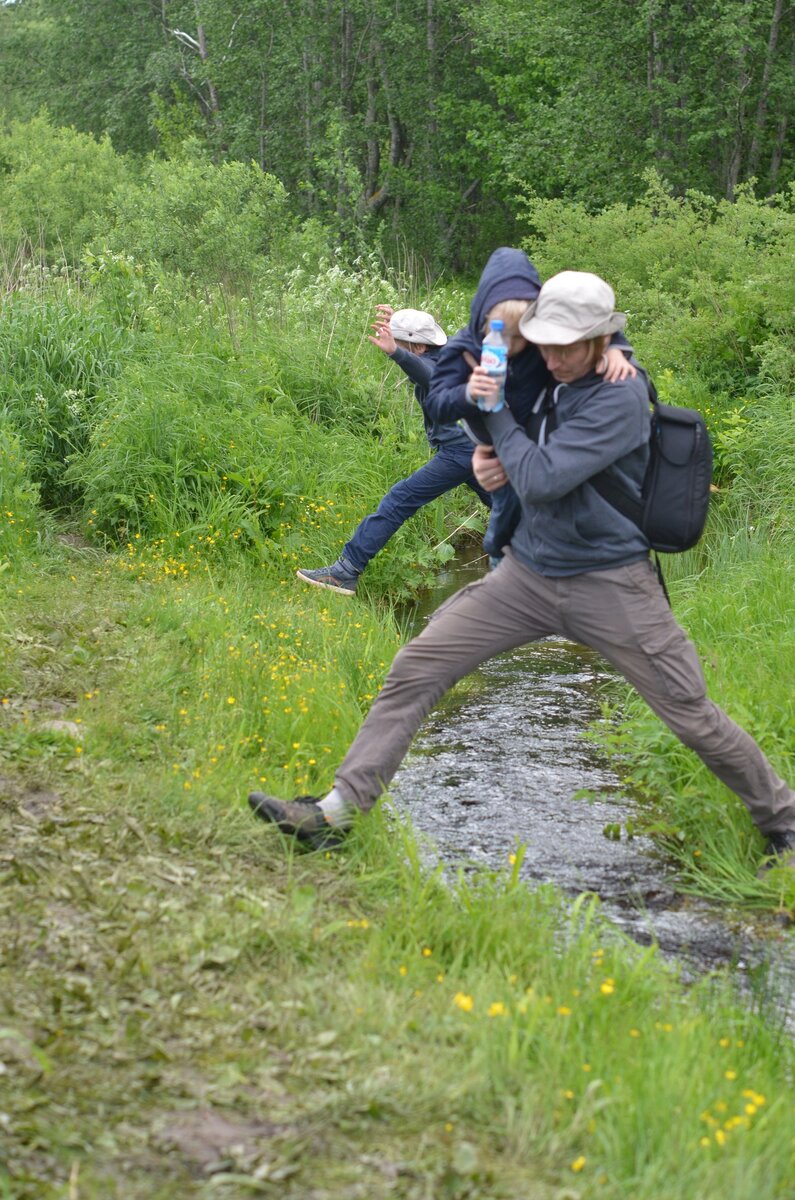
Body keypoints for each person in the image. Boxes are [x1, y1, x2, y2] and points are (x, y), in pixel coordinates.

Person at [248, 270, 795, 871]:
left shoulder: (622, 394)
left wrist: (496, 421)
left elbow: (540, 476)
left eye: (572, 345)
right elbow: (478, 332)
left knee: (692, 717)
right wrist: (488, 439)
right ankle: (337, 813)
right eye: (547, 341)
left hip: (612, 582)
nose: (555, 356)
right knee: (417, 667)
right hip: (527, 576)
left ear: (601, 339)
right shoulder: (547, 358)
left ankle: (783, 823)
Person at [425, 247, 637, 562]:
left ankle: (529, 557)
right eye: (499, 335)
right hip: (495, 440)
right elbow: (436, 405)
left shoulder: (544, 337)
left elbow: (589, 324)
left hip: (539, 434)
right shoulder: (463, 348)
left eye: (521, 337)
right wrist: (469, 393)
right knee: (507, 503)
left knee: (537, 497)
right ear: (482, 319)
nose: (509, 348)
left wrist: (617, 347)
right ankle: (500, 553)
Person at [295, 305, 491, 595]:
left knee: (400, 499)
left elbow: (426, 373)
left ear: (419, 345)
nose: (399, 349)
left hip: (460, 452)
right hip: (477, 450)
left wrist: (396, 353)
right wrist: (397, 326)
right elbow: (422, 362)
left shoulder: (437, 368)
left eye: (403, 344)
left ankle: (345, 571)